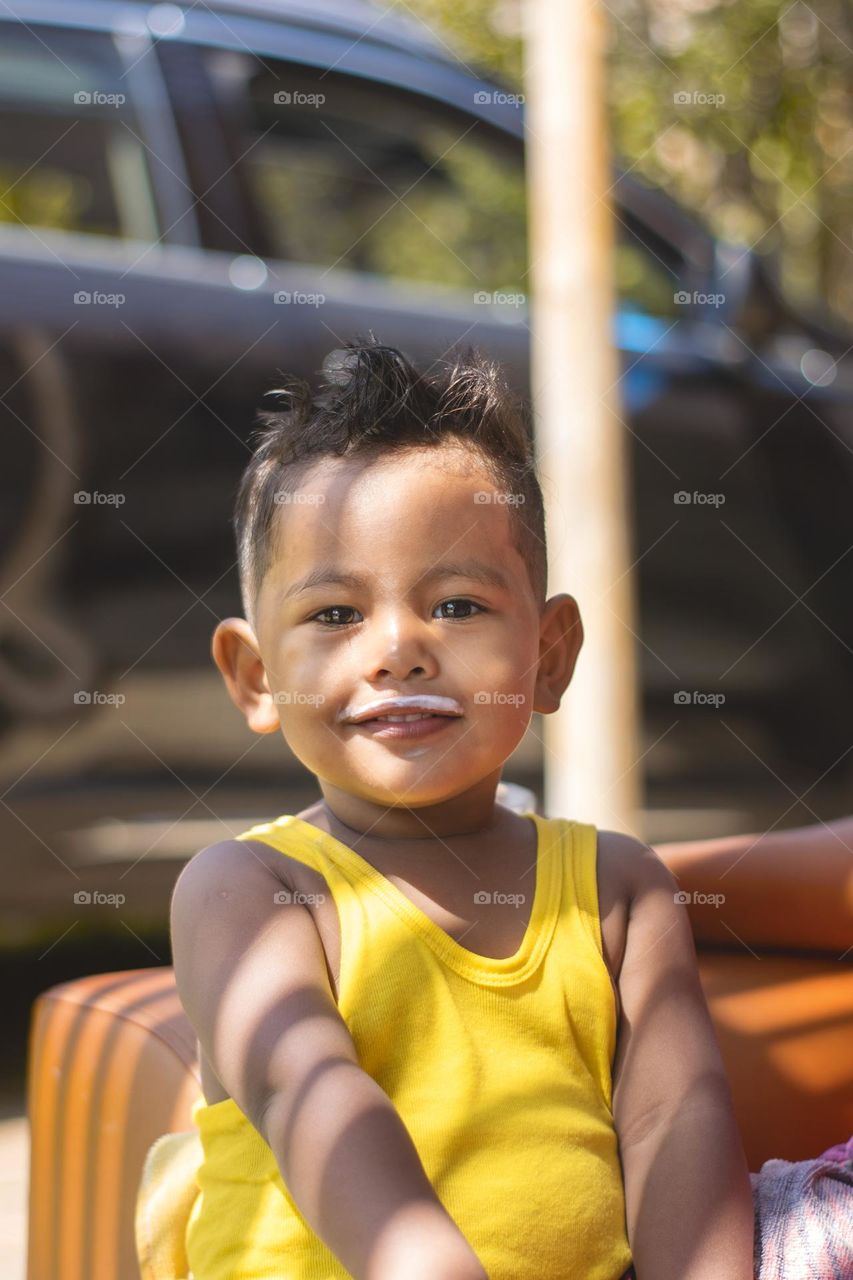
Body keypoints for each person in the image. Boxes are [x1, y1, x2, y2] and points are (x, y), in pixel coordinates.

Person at [170, 339, 756, 1279]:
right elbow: (307, 1095)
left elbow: (673, 1119)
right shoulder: (250, 890)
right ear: (255, 677)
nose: (397, 649)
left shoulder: (618, 891)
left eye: (455, 607)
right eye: (333, 616)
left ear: (549, 654)